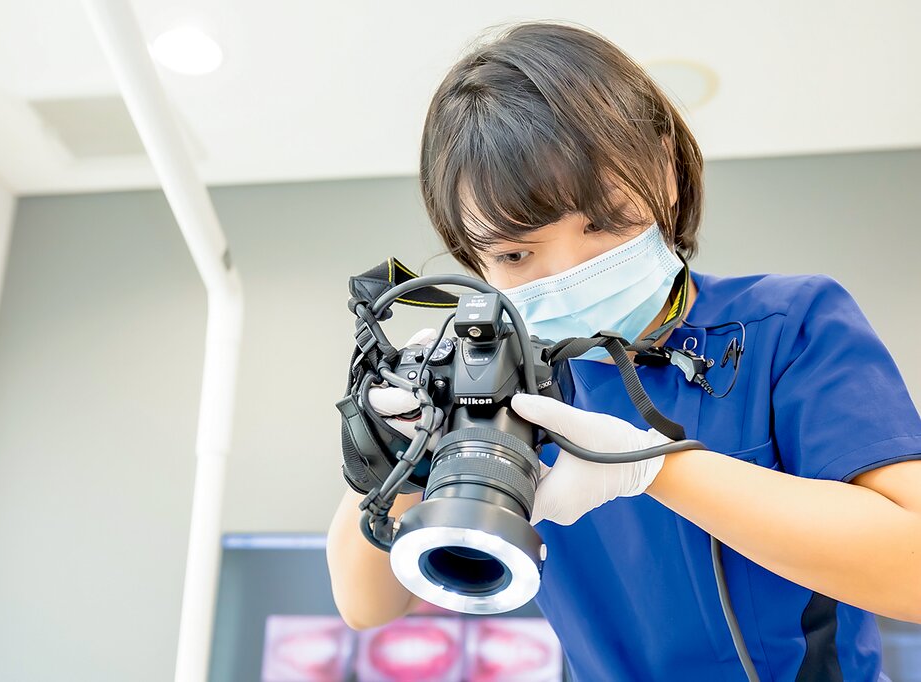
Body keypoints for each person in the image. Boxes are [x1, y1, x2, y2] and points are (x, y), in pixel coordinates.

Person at [326, 21, 921, 681]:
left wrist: (651, 468)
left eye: (602, 221)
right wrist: (396, 448)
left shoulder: (787, 326)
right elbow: (367, 604)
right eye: (516, 254)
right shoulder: (500, 381)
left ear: (664, 172)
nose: (569, 270)